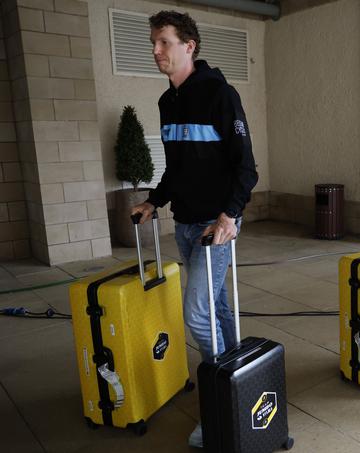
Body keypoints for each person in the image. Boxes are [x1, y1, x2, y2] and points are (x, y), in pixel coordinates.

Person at [132, 11, 258, 447]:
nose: (156, 51)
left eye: (164, 42)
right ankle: (241, 385)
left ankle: (219, 404)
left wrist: (229, 216)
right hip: (185, 226)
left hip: (214, 227)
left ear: (190, 45)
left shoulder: (221, 95)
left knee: (197, 315)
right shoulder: (168, 103)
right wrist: (154, 200)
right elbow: (177, 168)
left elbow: (247, 167)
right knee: (220, 309)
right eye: (153, 43)